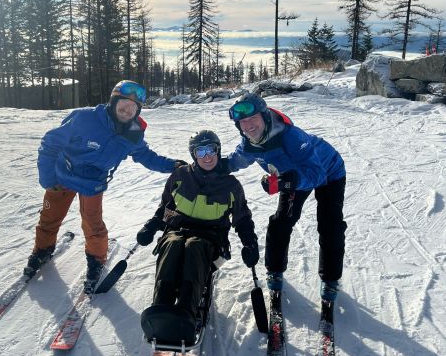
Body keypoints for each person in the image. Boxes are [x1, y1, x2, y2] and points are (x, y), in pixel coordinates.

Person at [24, 80, 186, 294]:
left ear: (138, 111)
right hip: (62, 177)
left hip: (92, 184)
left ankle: (96, 261)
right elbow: (50, 143)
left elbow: (146, 156)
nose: (127, 110)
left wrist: (172, 166)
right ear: (113, 101)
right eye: (124, 103)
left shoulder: (133, 134)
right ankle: (42, 250)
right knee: (49, 217)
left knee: (93, 225)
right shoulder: (84, 119)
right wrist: (48, 179)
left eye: (133, 107)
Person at [227, 93, 347, 304]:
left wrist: (284, 183)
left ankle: (330, 278)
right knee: (281, 222)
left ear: (264, 116)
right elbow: (237, 159)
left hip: (329, 172)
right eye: (242, 122)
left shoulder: (291, 137)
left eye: (252, 118)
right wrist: (212, 166)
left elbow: (317, 175)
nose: (248, 125)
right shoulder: (249, 143)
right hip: (291, 177)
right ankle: (274, 270)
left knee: (330, 226)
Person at [136, 130, 259, 332]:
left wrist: (249, 243)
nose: (207, 156)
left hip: (211, 237)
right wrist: (151, 226)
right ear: (194, 154)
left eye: (211, 150)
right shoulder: (180, 176)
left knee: (194, 246)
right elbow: (167, 208)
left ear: (218, 151)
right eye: (200, 152)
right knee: (172, 244)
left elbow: (242, 218)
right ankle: (161, 307)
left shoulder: (230, 185)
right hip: (179, 229)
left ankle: (186, 311)